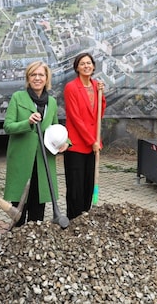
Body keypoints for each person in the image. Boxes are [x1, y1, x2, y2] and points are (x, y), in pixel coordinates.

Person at [3, 61, 68, 226]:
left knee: (38, 206)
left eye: (41, 75)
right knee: (19, 207)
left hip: (43, 160)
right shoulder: (18, 98)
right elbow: (8, 127)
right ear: (28, 78)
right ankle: (17, 241)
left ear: (47, 79)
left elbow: (54, 128)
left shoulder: (52, 102)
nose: (37, 78)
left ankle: (34, 239)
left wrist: (65, 142)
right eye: (33, 75)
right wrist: (27, 122)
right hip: (22, 159)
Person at [63, 53, 105, 220]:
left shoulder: (96, 85)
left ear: (93, 66)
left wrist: (102, 94)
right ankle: (73, 220)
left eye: (89, 63)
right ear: (77, 67)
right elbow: (75, 118)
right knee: (76, 186)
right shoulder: (71, 87)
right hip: (77, 145)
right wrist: (91, 141)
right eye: (82, 63)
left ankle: (86, 216)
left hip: (93, 144)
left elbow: (99, 114)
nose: (86, 66)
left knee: (89, 184)